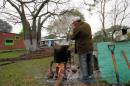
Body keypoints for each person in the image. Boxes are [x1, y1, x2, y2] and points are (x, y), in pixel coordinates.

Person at [70, 17, 95, 84]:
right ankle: (91, 77)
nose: (73, 24)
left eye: (73, 23)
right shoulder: (87, 25)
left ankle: (85, 79)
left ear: (76, 22)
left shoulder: (78, 27)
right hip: (90, 47)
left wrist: (72, 31)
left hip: (82, 48)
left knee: (83, 63)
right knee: (89, 62)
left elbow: (72, 37)